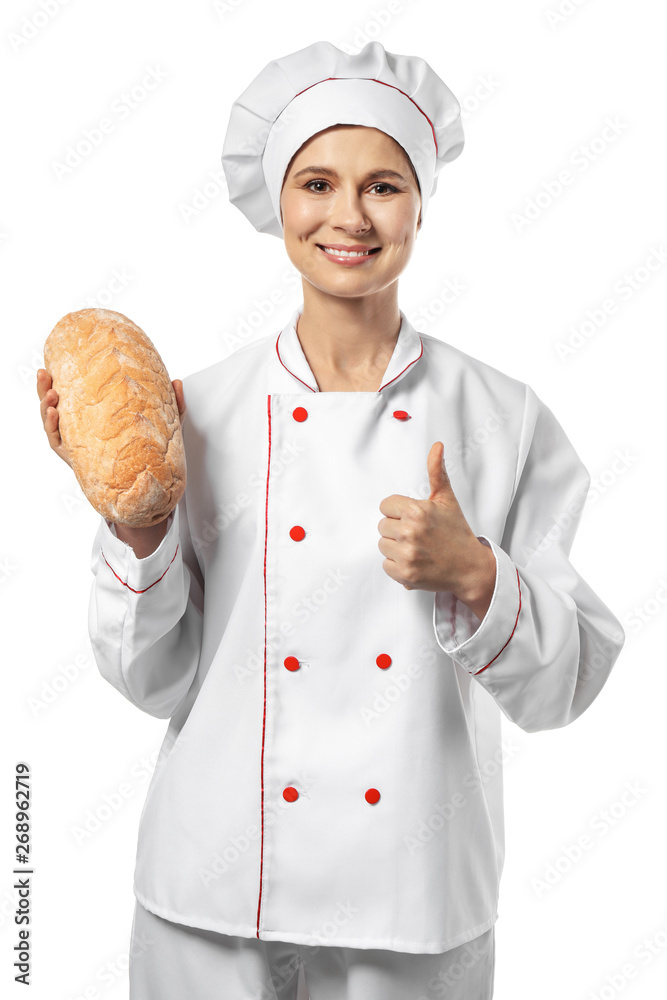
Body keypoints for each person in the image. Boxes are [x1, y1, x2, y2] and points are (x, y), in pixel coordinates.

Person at [37, 39, 625, 1000]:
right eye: (317, 182)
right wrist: (136, 532)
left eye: (383, 186)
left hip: (414, 905)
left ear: (422, 206)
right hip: (209, 896)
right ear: (278, 205)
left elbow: (569, 685)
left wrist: (477, 576)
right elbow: (148, 679)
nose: (347, 216)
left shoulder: (502, 417)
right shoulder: (194, 411)